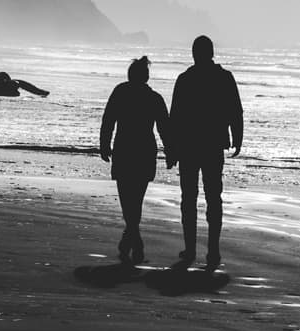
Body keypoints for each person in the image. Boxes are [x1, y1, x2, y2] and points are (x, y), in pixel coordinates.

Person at [168, 35, 242, 269]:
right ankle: (213, 251)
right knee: (213, 198)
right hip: (213, 145)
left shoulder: (185, 79)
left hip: (189, 146)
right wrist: (237, 138)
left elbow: (175, 117)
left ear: (194, 53)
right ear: (211, 53)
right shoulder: (224, 78)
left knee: (188, 199)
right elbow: (235, 111)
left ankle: (190, 249)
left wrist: (172, 149)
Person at [100, 56, 171, 265]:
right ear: (146, 76)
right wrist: (171, 152)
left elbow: (108, 119)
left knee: (127, 200)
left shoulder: (120, 92)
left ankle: (131, 237)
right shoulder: (154, 98)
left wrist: (104, 144)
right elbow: (165, 128)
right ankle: (133, 237)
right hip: (144, 152)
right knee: (136, 200)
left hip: (124, 150)